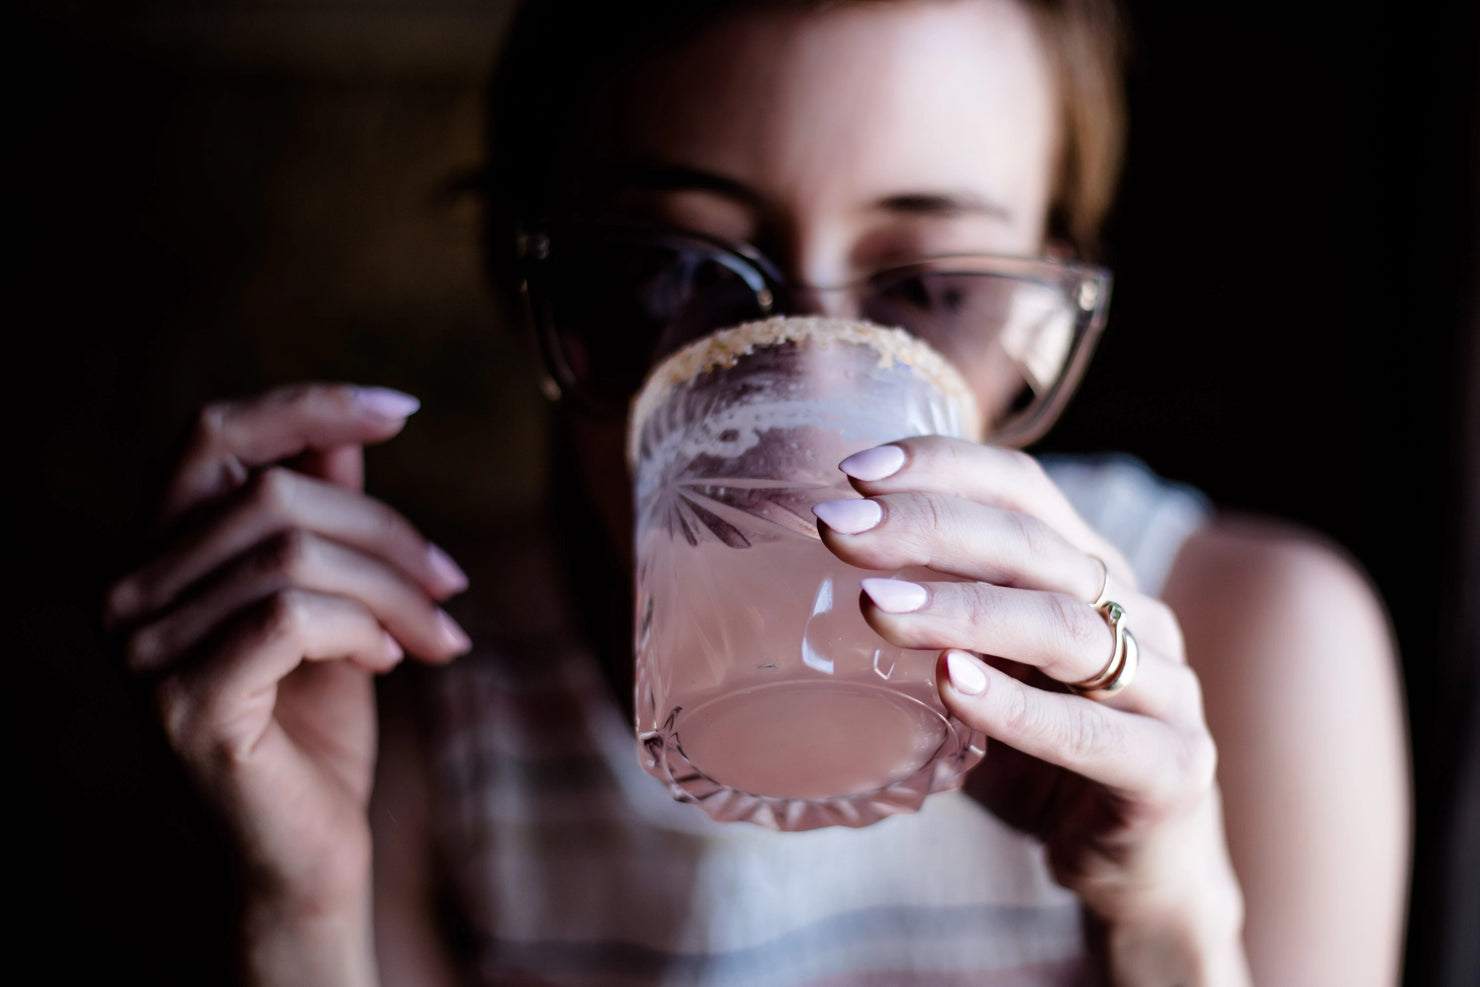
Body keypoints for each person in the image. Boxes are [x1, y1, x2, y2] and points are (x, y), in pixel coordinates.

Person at [103, 0, 1412, 983]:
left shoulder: (1265, 656)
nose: (813, 396)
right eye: (682, 273)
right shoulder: (400, 692)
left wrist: (1175, 928)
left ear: (1044, 321)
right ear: (533, 285)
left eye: (933, 291)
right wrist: (306, 915)